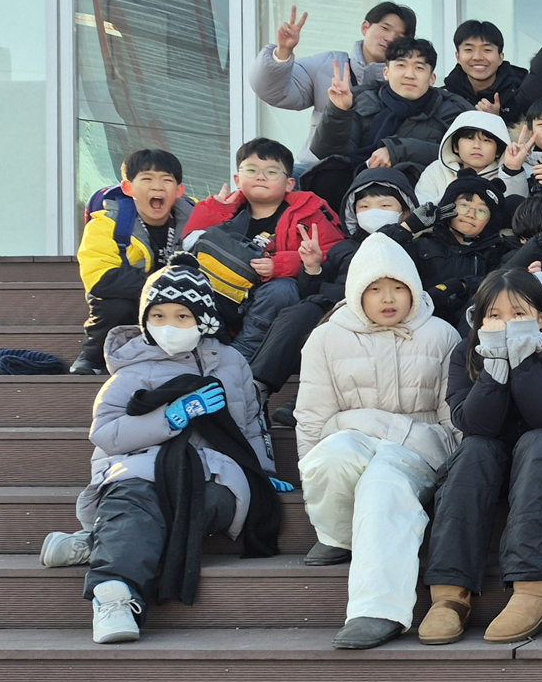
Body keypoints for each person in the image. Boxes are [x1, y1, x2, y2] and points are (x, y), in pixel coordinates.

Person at [75, 258, 283, 645]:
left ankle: (103, 541)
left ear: (203, 320)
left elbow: (253, 423)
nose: (169, 325)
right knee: (139, 500)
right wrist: (171, 417)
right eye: (159, 315)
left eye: (182, 316)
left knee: (193, 502)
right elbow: (105, 433)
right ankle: (113, 595)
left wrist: (264, 472)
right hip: (137, 469)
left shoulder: (231, 362)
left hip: (214, 472)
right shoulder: (131, 369)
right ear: (145, 320)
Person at [419, 268, 542, 645]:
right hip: (497, 458)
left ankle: (534, 586)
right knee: (473, 449)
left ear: (541, 318)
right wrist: (495, 365)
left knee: (539, 441)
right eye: (495, 314)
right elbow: (474, 424)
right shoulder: (467, 351)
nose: (506, 323)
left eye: (519, 314)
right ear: (479, 319)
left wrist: (523, 361)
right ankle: (449, 594)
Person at [294, 232, 461, 649]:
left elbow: (454, 415)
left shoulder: (440, 334)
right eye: (375, 289)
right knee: (331, 456)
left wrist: (454, 466)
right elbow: (312, 415)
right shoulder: (327, 337)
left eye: (398, 287)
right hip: (351, 439)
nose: (388, 298)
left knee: (383, 480)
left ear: (413, 289)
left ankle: (377, 609)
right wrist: (312, 476)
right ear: (356, 292)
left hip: (416, 446)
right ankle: (338, 535)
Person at [248, 168, 421, 423]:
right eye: (364, 206)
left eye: (385, 205)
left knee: (338, 327)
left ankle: (306, 398)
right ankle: (257, 388)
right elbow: (311, 290)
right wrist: (312, 267)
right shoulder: (343, 248)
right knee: (300, 313)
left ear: (404, 211)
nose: (374, 211)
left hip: (380, 313)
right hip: (331, 306)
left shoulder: (414, 247)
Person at [182, 138, 346, 360]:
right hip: (224, 292)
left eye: (271, 172)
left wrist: (280, 265)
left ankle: (243, 354)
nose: (260, 177)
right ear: (237, 179)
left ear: (289, 183)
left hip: (271, 301)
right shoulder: (224, 207)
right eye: (251, 170)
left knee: (282, 288)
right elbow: (189, 245)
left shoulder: (309, 212)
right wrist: (214, 211)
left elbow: (333, 254)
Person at [306, 37, 473, 212]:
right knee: (328, 178)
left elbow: (463, 155)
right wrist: (339, 111)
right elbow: (327, 152)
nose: (409, 74)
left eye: (419, 68)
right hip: (359, 181)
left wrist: (397, 151)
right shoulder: (361, 98)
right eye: (401, 65)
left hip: (416, 192)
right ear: (386, 73)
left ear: (432, 78)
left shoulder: (452, 110)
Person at [73, 150, 193, 375]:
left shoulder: (197, 220)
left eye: (166, 180)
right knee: (114, 306)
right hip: (131, 297)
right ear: (128, 188)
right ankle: (93, 357)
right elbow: (100, 279)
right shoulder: (105, 224)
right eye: (147, 179)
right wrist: (159, 285)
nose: (157, 187)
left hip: (181, 297)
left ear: (179, 191)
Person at [250, 2, 414, 163]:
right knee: (274, 176)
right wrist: (283, 52)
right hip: (318, 165)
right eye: (385, 28)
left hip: (378, 171)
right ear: (365, 28)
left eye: (400, 36)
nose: (390, 38)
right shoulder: (327, 65)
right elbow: (275, 92)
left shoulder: (410, 82)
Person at [400, 172, 513, 332]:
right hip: (419, 327)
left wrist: (464, 285)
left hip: (473, 331)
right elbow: (377, 254)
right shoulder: (422, 244)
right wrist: (408, 227)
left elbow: (503, 284)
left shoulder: (498, 252)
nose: (471, 214)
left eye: (482, 211)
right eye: (464, 206)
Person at [415, 110, 531, 207]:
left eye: (486, 140)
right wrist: (454, 194)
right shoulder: (436, 170)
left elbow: (518, 209)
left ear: (498, 151)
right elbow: (420, 210)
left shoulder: (507, 174)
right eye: (469, 138)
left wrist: (512, 170)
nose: (477, 146)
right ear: (455, 146)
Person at [444, 20, 528, 124]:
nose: (477, 57)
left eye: (487, 50)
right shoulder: (445, 97)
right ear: (458, 57)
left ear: (500, 58)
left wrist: (496, 120)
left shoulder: (522, 94)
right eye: (469, 50)